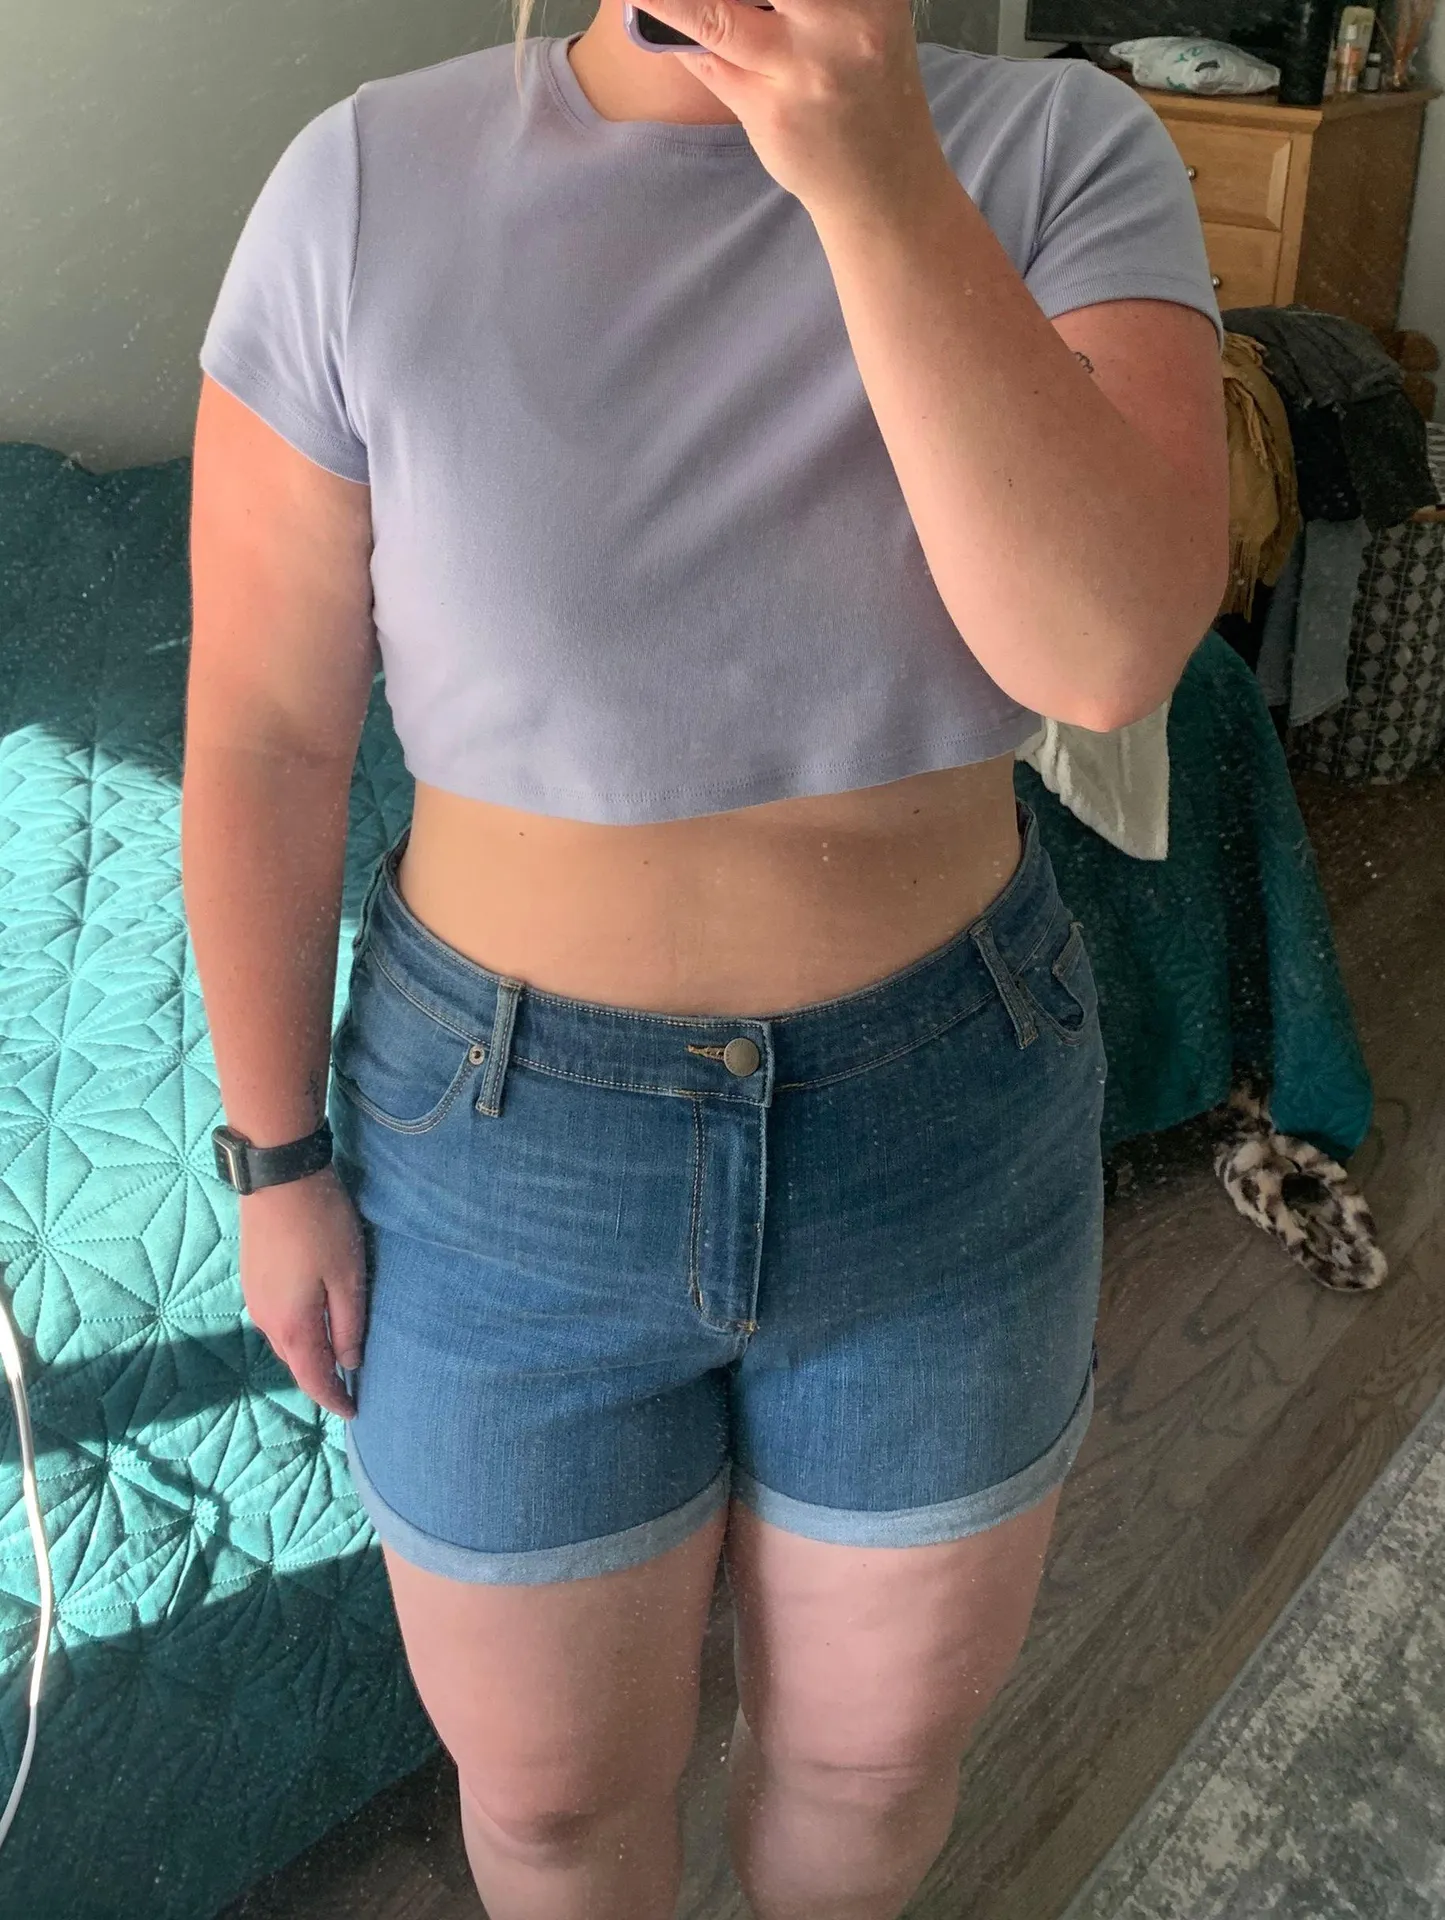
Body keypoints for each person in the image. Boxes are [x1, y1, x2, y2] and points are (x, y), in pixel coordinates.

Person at [183, 0, 1228, 1911]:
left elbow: (1103, 653)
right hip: (499, 1146)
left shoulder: (1065, 157)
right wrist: (274, 1158)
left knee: (872, 1761)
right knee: (553, 1807)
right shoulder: (360, 189)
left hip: (943, 1114)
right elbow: (264, 732)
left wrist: (877, 176)